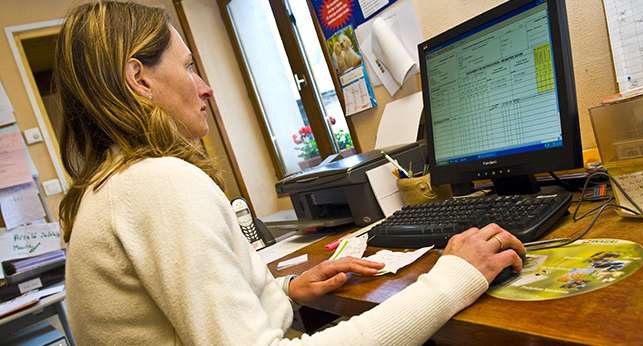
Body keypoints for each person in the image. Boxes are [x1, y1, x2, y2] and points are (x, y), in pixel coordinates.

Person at [56, 2, 525, 345]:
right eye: (189, 68)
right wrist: (453, 279)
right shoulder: (157, 184)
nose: (207, 88)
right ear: (140, 80)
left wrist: (280, 291)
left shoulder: (108, 189)